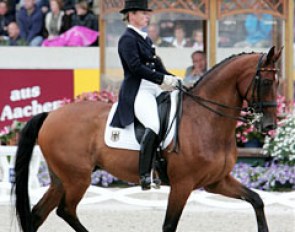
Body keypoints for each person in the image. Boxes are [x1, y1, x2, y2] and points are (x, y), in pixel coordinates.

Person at [110, 0, 181, 190]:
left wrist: (173, 79)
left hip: (153, 87)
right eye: (143, 13)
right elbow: (135, 68)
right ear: (131, 15)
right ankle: (145, 174)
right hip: (138, 90)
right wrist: (161, 79)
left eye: (147, 13)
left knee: (175, 113)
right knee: (154, 124)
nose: (147, 17)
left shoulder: (146, 38)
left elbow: (156, 65)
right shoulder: (127, 39)